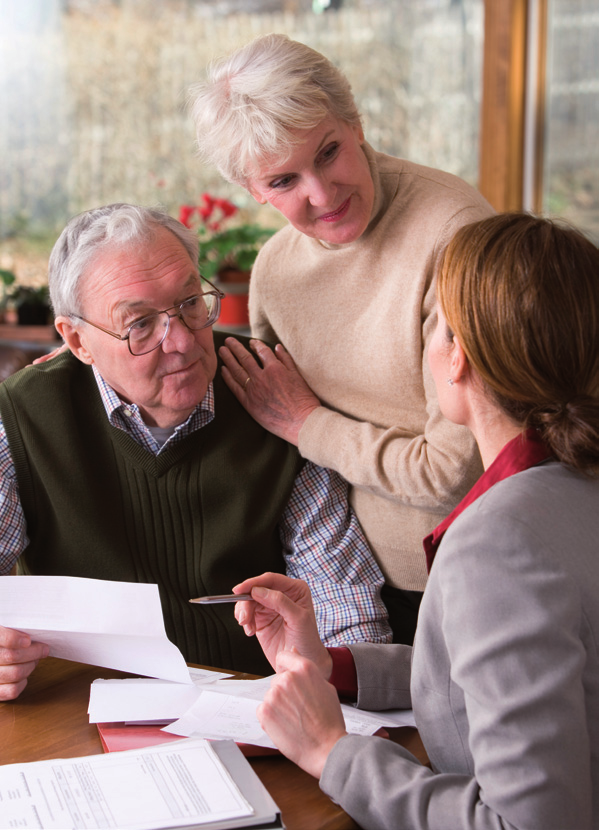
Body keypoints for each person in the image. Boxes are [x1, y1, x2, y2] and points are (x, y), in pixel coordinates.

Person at [230, 213, 599, 828]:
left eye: (435, 324)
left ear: (456, 358)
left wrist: (330, 752)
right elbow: (524, 682)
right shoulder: (571, 486)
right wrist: (333, 667)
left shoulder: (500, 540)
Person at [0, 202, 392, 702]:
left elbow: (346, 607)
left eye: (190, 303)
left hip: (258, 707)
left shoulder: (268, 391)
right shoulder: (25, 415)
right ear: (77, 340)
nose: (182, 341)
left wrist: (341, 686)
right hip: (77, 715)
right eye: (139, 324)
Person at [189, 33, 495, 643]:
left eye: (328, 152)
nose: (322, 195)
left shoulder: (455, 233)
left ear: (354, 122)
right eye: (283, 181)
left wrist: (309, 425)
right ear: (252, 190)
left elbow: (455, 474)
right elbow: (282, 449)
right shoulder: (274, 273)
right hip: (338, 590)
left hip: (464, 586)